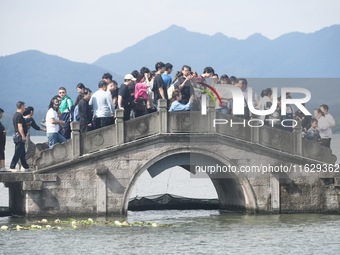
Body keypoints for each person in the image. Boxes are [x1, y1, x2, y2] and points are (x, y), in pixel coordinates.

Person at [9, 101, 30, 171]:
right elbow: (19, 126)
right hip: (19, 136)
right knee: (18, 152)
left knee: (22, 152)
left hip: (16, 136)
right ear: (21, 107)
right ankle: (12, 166)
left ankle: (25, 167)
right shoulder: (19, 116)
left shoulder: (16, 115)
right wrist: (23, 136)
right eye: (24, 106)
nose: (25, 108)